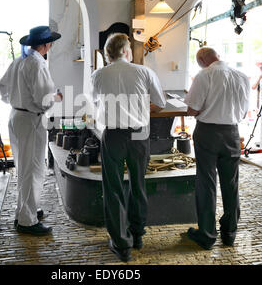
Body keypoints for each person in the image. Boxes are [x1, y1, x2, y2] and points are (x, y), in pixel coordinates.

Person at [91, 33, 166, 262]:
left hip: (113, 135)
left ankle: (121, 244)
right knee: (138, 183)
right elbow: (161, 104)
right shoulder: (144, 72)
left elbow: (97, 102)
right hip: (139, 134)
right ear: (125, 51)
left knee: (113, 188)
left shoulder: (98, 75)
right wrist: (141, 108)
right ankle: (138, 233)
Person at [0, 26, 62, 236]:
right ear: (45, 45)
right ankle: (27, 221)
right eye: (50, 42)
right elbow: (43, 100)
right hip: (31, 120)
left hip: (16, 116)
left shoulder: (19, 60)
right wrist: (56, 98)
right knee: (33, 169)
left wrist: (17, 101)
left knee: (24, 168)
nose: (51, 46)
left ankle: (25, 210)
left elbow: (2, 87)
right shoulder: (37, 63)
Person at [183, 47, 250, 250]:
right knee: (231, 183)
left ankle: (207, 234)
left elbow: (192, 109)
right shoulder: (242, 77)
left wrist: (205, 107)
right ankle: (230, 233)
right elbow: (244, 111)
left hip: (208, 133)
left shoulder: (205, 75)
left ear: (202, 59)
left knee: (206, 182)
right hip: (232, 132)